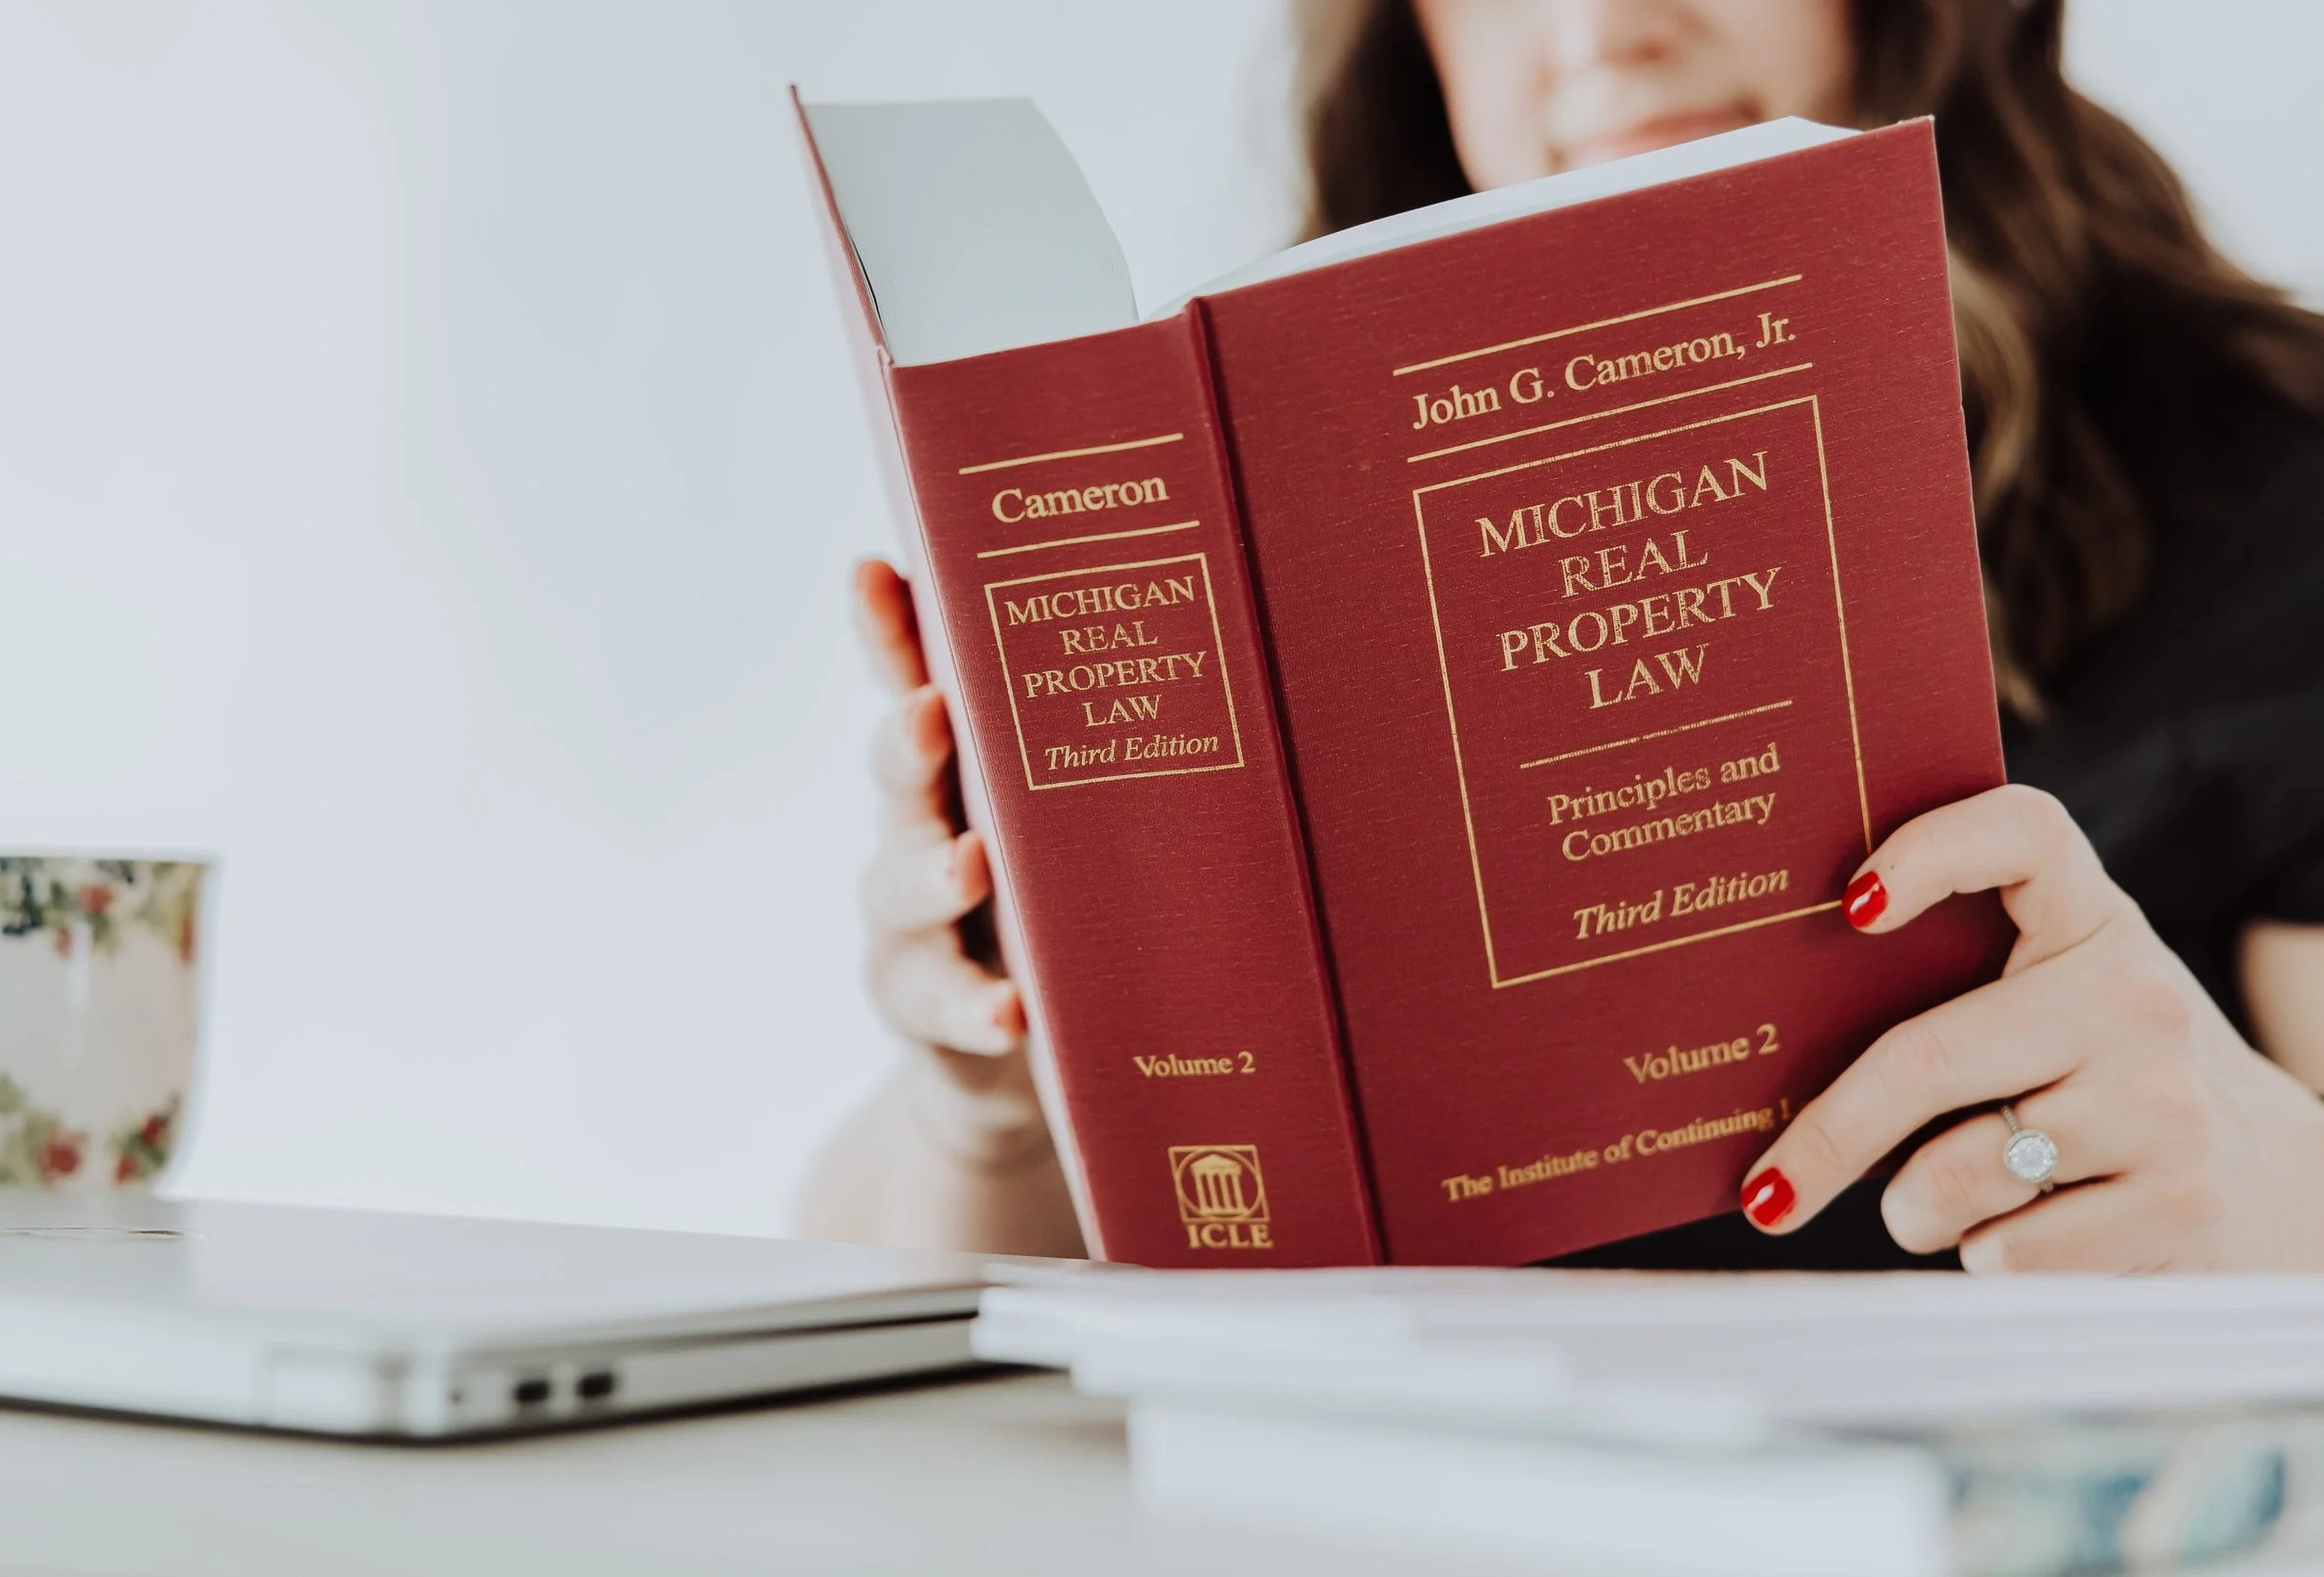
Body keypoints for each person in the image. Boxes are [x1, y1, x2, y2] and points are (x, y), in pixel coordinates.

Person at [799, 0, 2324, 1272]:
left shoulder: (2274, 491)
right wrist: (992, 1096)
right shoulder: (1280, 540)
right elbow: (874, 1299)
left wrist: (2279, 1193)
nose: (1601, 32)